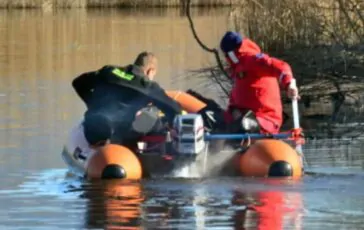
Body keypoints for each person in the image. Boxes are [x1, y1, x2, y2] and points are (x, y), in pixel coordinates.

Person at [70, 51, 183, 154]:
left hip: (92, 127)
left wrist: (92, 103)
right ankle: (151, 157)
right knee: (157, 123)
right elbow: (174, 109)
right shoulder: (147, 86)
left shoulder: (108, 71)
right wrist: (171, 125)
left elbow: (78, 82)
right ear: (150, 71)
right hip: (118, 130)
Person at [219, 31, 300, 135]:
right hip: (244, 117)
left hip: (265, 120)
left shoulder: (253, 60)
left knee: (244, 124)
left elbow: (281, 66)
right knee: (214, 116)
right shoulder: (238, 70)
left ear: (231, 54)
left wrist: (289, 84)